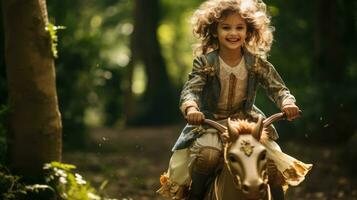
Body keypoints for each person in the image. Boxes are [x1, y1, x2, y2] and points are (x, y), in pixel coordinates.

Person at [157, 0, 312, 199]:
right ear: (215, 31)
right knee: (208, 156)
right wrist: (191, 108)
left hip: (247, 124)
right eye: (226, 27)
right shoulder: (205, 63)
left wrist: (287, 103)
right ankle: (195, 196)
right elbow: (191, 90)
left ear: (248, 31)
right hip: (211, 124)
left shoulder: (257, 64)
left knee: (272, 161)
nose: (233, 33)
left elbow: (278, 88)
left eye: (240, 27)